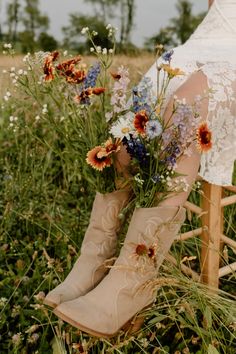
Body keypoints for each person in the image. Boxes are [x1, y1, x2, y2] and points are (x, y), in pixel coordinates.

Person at [44, 0, 236, 337]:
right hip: (211, 38)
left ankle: (133, 280)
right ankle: (95, 258)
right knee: (131, 128)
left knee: (184, 106)